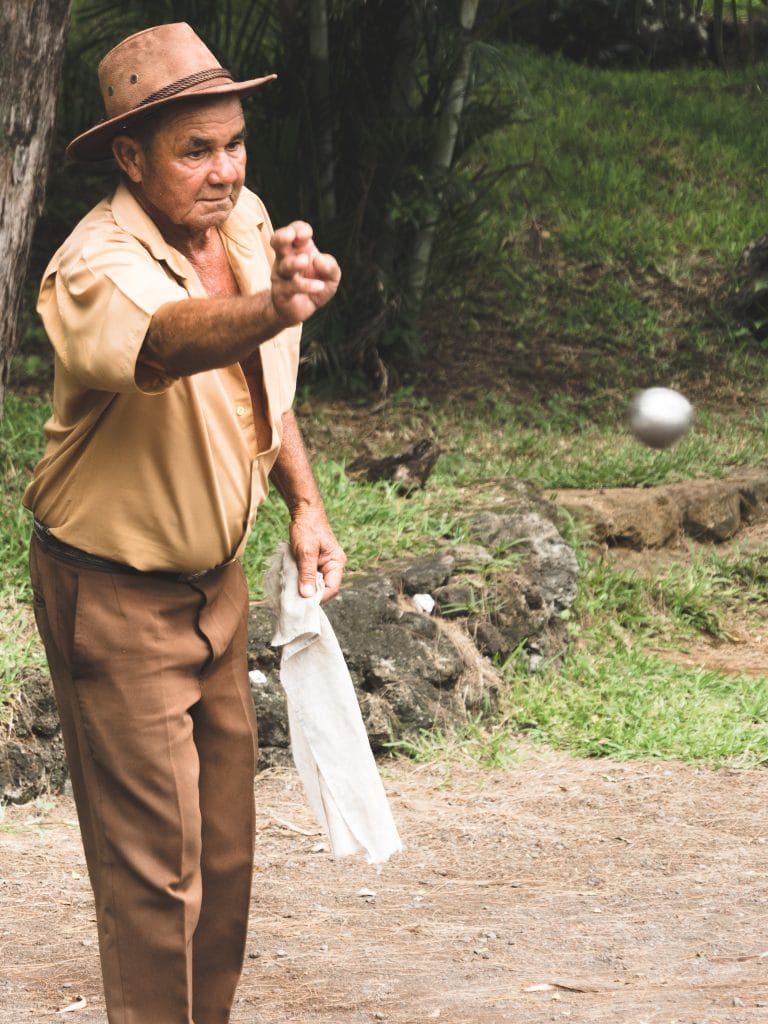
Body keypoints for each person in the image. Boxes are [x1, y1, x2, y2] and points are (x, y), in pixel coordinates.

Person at [23, 22, 346, 1024]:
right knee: (156, 879)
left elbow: (261, 394)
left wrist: (304, 500)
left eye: (234, 142)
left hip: (219, 586)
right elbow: (165, 347)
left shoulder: (245, 224)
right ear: (131, 156)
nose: (224, 169)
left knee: (225, 856)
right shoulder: (93, 262)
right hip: (114, 600)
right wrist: (274, 308)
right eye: (194, 149)